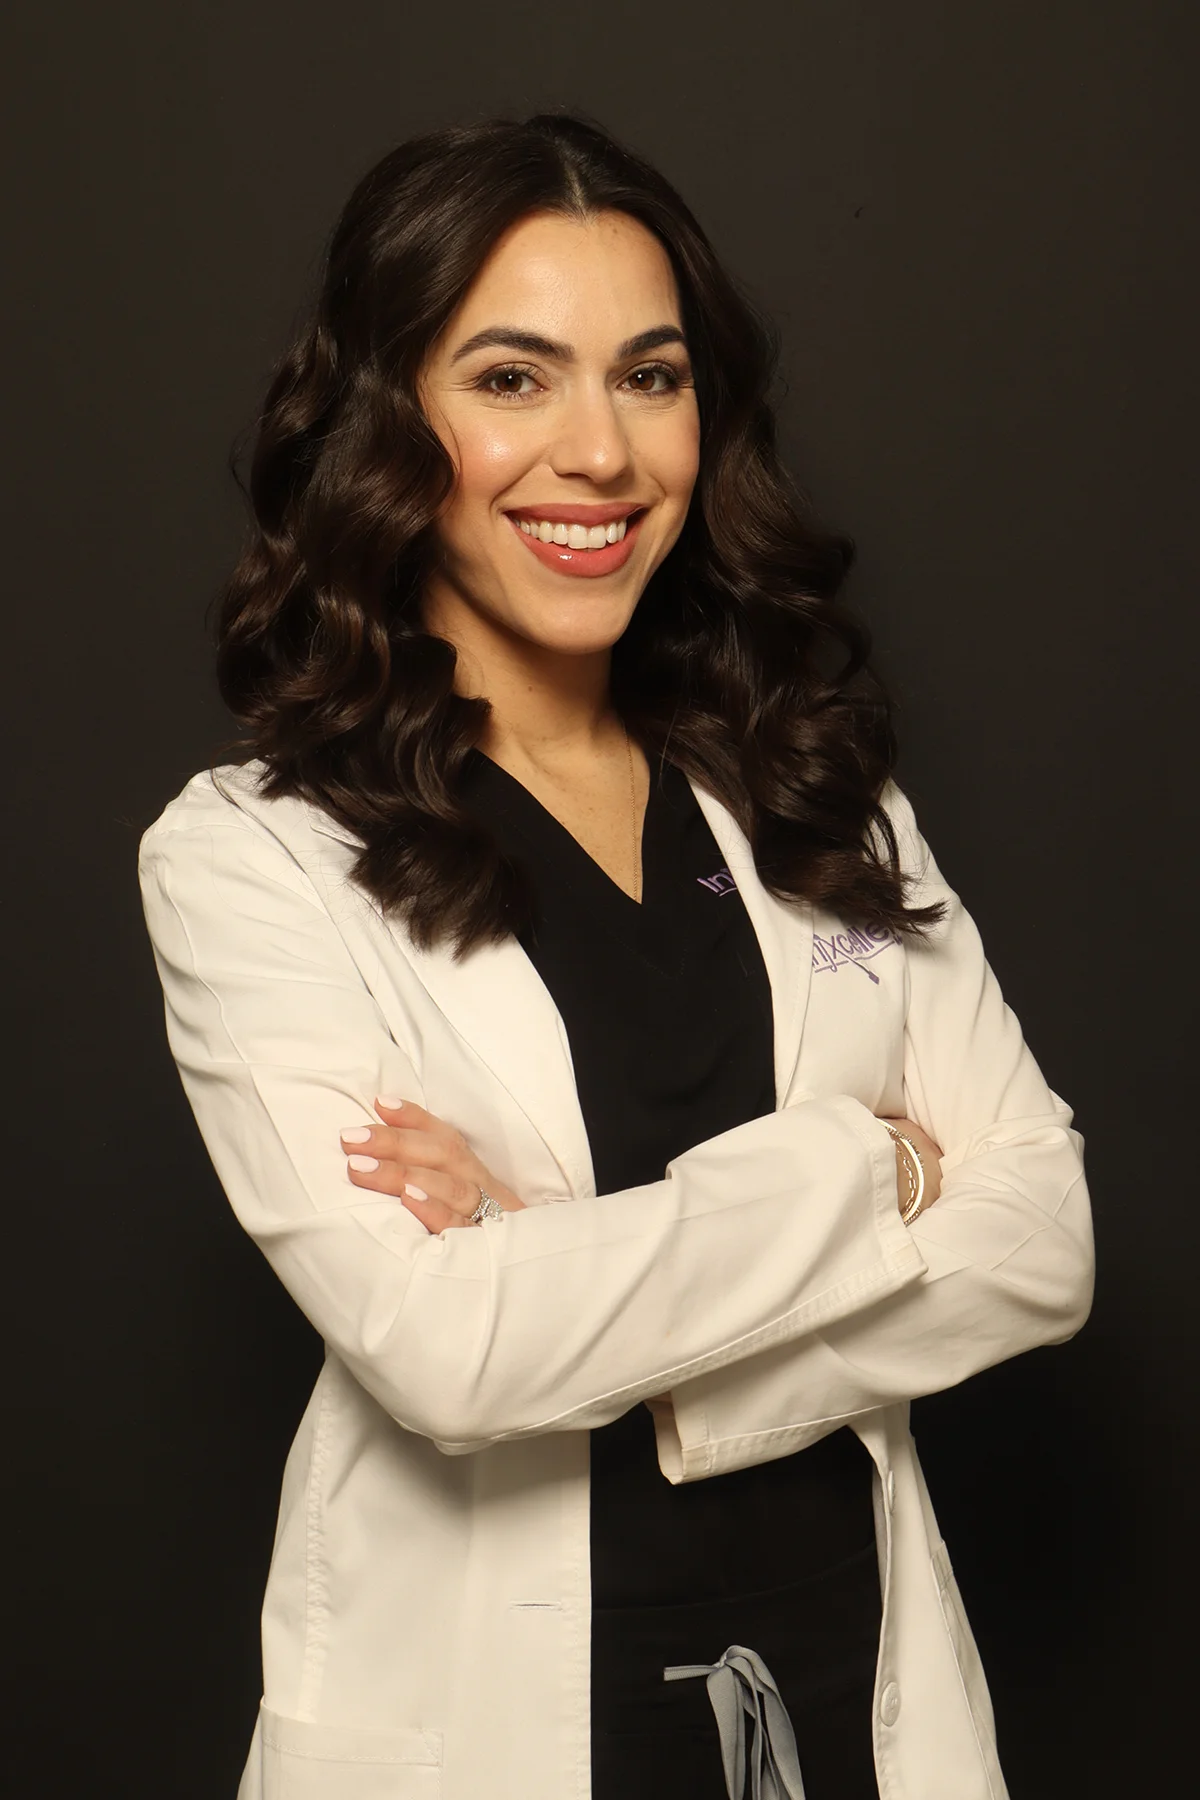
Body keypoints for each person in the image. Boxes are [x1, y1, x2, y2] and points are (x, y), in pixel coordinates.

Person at [138, 112, 1094, 1800]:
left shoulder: (815, 796)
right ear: (386, 420)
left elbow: (1043, 1242)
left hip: (856, 1693)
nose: (600, 451)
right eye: (512, 378)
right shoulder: (254, 855)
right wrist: (866, 1170)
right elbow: (449, 1352)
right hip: (488, 1731)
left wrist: (567, 1270)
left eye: (650, 377)